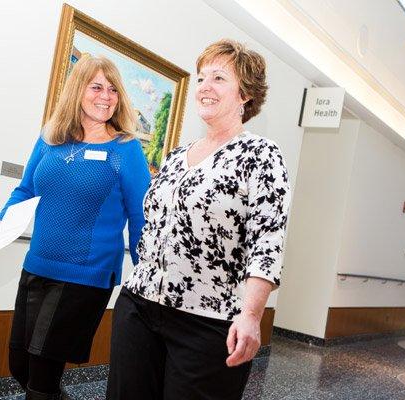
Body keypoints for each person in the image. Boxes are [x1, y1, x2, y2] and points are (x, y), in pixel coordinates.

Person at [106, 39, 291, 400]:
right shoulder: (176, 156)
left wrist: (252, 315)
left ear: (245, 95)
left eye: (219, 78)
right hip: (139, 307)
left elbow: (267, 242)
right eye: (202, 77)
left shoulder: (261, 155)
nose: (205, 86)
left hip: (207, 321)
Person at [0, 55, 150, 400]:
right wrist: (2, 217)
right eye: (97, 87)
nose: (106, 96)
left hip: (84, 277)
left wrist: (146, 272)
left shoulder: (126, 149)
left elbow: (141, 216)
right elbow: (26, 188)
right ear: (78, 90)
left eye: (113, 89)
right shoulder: (51, 138)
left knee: (41, 379)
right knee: (21, 367)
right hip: (37, 266)